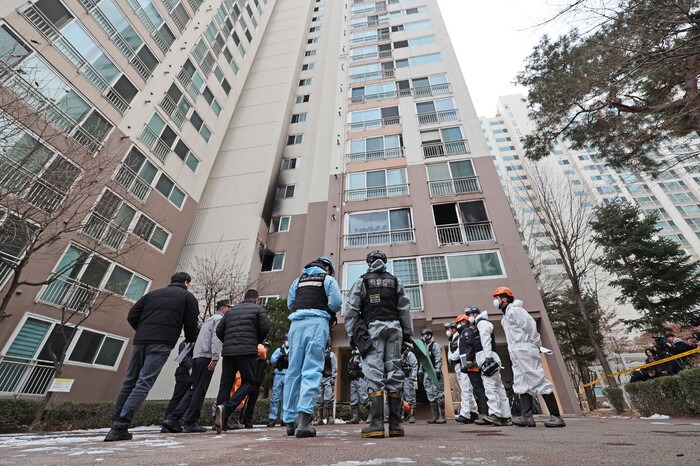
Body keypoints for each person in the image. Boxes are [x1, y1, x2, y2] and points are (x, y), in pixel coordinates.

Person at [105, 272, 199, 442]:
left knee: (130, 380)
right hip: (162, 342)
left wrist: (142, 331)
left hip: (141, 341)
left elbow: (132, 316)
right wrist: (191, 340)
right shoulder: (187, 297)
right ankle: (120, 426)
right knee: (144, 382)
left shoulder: (151, 294)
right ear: (186, 282)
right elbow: (191, 322)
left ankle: (117, 419)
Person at [345, 250, 413, 438]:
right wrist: (407, 334)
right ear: (384, 262)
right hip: (395, 329)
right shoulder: (395, 281)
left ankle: (376, 424)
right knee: (395, 372)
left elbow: (351, 310)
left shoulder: (362, 281)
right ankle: (396, 425)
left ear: (369, 263)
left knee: (374, 373)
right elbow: (405, 308)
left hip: (372, 329)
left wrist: (352, 335)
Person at [283, 257, 343, 438]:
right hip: (317, 324)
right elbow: (336, 304)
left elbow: (290, 305)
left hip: (296, 325)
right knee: (312, 370)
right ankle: (303, 423)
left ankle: (289, 422)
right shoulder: (328, 280)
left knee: (292, 371)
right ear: (326, 268)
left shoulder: (298, 280)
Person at [494, 286, 565, 427]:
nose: (496, 302)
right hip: (516, 352)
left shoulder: (516, 310)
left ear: (505, 299)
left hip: (525, 349)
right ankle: (527, 417)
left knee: (537, 380)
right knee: (521, 383)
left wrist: (535, 344)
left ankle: (556, 416)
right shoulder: (506, 315)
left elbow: (531, 325)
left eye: (497, 298)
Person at [162, 299, 229, 433]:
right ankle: (191, 422)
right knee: (200, 390)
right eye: (228, 308)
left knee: (193, 389)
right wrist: (215, 358)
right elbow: (216, 339)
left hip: (198, 357)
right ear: (222, 309)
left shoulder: (207, 321)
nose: (229, 311)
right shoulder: (219, 320)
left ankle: (173, 418)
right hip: (207, 357)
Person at [213, 290, 270, 433]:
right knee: (249, 381)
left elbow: (219, 330)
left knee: (225, 384)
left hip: (229, 352)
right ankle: (227, 408)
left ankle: (220, 422)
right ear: (256, 300)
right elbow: (265, 328)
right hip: (247, 351)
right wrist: (255, 341)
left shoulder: (231, 311)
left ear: (244, 299)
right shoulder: (258, 309)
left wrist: (229, 342)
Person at [468, 307, 512, 426]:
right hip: (489, 356)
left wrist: (487, 358)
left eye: (470, 314)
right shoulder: (479, 325)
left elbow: (485, 339)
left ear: (476, 314)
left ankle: (495, 414)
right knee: (499, 388)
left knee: (490, 387)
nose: (469, 317)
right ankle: (506, 416)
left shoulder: (482, 323)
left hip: (488, 357)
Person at [457, 309, 489, 425]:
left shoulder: (467, 332)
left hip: (472, 364)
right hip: (469, 365)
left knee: (479, 389)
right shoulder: (464, 333)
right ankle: (479, 414)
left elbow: (469, 347)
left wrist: (468, 361)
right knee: (476, 389)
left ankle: (485, 414)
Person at [447, 316, 478, 424]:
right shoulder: (451, 340)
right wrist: (450, 358)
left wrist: (451, 358)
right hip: (457, 365)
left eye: (449, 329)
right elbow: (450, 353)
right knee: (466, 389)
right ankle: (474, 411)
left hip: (463, 364)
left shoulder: (461, 336)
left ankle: (465, 414)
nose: (447, 331)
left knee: (466, 389)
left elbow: (459, 351)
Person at [420, 328, 446, 424]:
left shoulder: (435, 345)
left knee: (438, 393)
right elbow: (422, 360)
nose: (423, 337)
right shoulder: (423, 347)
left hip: (435, 372)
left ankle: (443, 416)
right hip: (427, 372)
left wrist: (438, 369)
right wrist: (420, 371)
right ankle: (435, 415)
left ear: (429, 335)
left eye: (424, 335)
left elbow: (439, 357)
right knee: (430, 394)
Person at [242, 342, 270, 428]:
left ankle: (246, 420)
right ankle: (243, 420)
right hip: (251, 379)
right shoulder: (257, 356)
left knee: (250, 402)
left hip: (256, 380)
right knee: (245, 401)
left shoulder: (263, 358)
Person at [267, 334, 290, 427]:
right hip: (279, 374)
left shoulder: (293, 350)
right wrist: (278, 356)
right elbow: (272, 360)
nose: (287, 341)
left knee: (286, 398)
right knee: (275, 397)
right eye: (286, 339)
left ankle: (284, 418)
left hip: (288, 375)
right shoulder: (279, 350)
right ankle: (272, 418)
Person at [314, 342, 337, 425]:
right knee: (318, 398)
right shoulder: (317, 354)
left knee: (329, 397)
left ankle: (330, 416)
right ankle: (319, 418)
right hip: (319, 378)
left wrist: (333, 377)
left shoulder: (331, 355)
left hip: (328, 378)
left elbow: (334, 366)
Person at [347, 348, 370, 424]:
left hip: (360, 379)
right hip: (353, 380)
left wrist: (359, 366)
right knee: (354, 399)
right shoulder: (351, 358)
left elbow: (365, 366)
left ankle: (372, 413)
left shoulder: (362, 357)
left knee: (364, 397)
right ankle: (355, 416)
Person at [400, 343, 418, 423]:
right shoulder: (395, 354)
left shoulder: (409, 354)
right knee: (399, 398)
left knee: (410, 396)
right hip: (399, 378)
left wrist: (413, 377)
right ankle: (401, 416)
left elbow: (414, 365)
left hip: (408, 377)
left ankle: (412, 416)